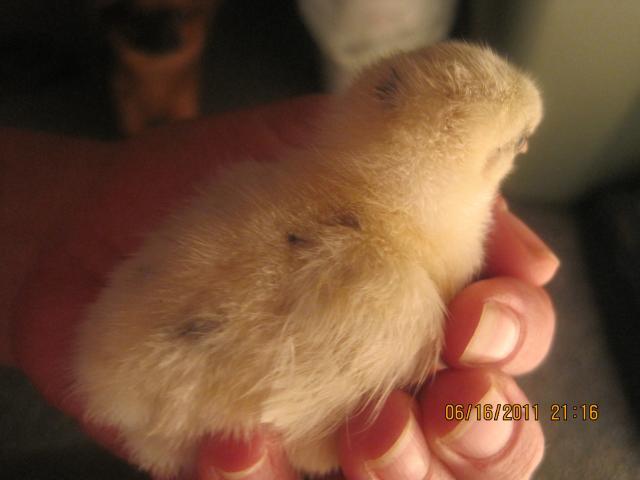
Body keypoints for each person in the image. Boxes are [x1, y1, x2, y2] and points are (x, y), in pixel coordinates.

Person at [1, 95, 558, 480]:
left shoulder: (273, 181)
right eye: (519, 142)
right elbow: (316, 435)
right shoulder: (395, 294)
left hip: (117, 365)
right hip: (150, 394)